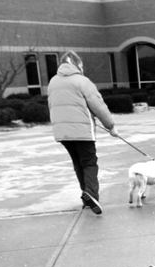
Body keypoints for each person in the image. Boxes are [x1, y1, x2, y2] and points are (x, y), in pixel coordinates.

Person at [48, 50, 117, 215]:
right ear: (78, 64)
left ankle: (87, 197)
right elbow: (98, 105)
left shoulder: (53, 82)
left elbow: (52, 106)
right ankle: (91, 195)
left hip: (62, 132)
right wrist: (110, 125)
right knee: (89, 163)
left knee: (79, 163)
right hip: (82, 132)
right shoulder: (82, 81)